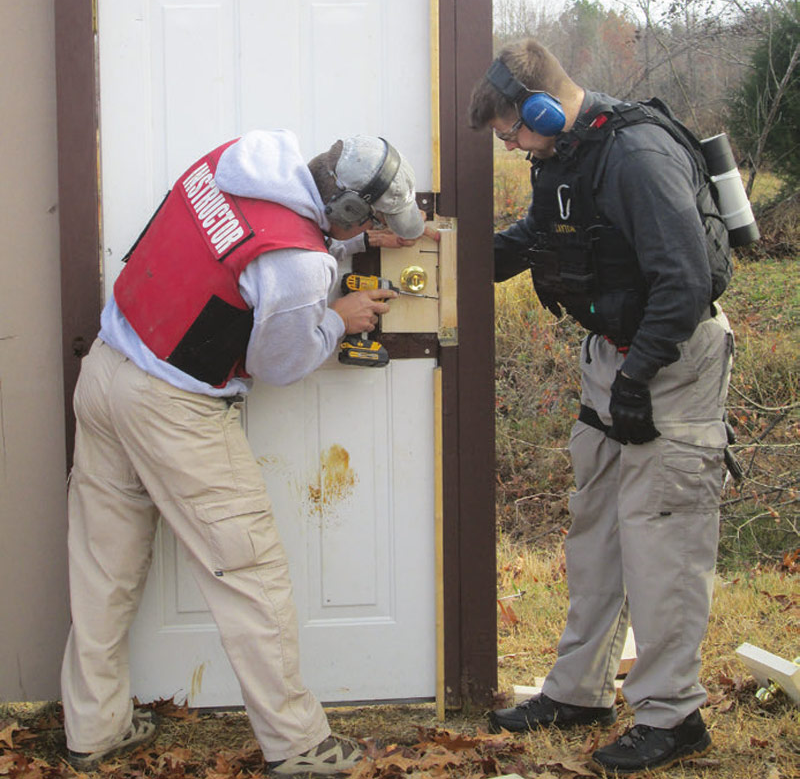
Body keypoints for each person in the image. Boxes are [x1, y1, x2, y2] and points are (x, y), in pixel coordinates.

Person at [60, 130, 427, 773]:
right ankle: (300, 747)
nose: (368, 228)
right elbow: (278, 361)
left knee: (103, 568)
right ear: (346, 209)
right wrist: (340, 316)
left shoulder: (244, 158)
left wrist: (350, 241)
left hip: (106, 370)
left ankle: (95, 727)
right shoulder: (300, 265)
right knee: (251, 575)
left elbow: (244, 244)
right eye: (367, 219)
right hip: (173, 410)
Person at [469, 39, 735, 775]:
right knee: (597, 533)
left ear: (543, 109)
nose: (511, 146)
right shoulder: (565, 159)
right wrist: (453, 260)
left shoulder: (637, 157)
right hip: (612, 356)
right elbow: (542, 236)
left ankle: (674, 714)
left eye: (511, 132)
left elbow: (682, 283)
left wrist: (637, 378)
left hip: (670, 360)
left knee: (663, 538)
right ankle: (580, 691)